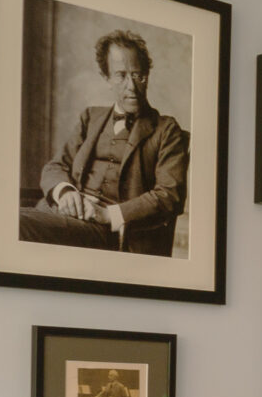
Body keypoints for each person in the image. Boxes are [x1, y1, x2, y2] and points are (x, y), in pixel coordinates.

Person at [20, 30, 191, 256]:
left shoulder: (167, 130)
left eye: (138, 75)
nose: (132, 86)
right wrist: (66, 192)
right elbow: (55, 166)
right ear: (107, 78)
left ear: (147, 76)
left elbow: (169, 196)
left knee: (14, 225)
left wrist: (109, 215)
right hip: (57, 215)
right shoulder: (90, 118)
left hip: (107, 234)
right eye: (121, 75)